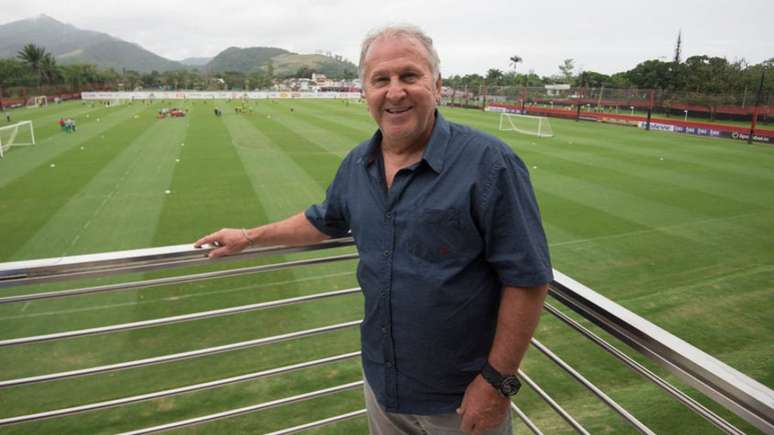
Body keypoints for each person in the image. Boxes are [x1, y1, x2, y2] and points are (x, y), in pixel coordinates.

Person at [194, 24, 551, 435]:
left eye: (409, 76)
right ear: (365, 91)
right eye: (380, 79)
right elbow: (323, 219)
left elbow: (528, 278)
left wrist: (497, 383)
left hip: (461, 399)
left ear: (437, 86)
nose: (394, 92)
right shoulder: (357, 165)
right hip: (383, 387)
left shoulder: (490, 163)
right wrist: (249, 236)